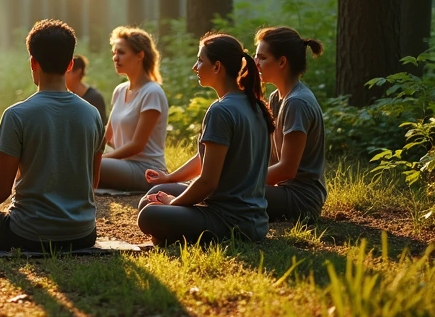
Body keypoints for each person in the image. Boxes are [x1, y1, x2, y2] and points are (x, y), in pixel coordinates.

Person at [0, 20, 103, 252]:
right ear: (70, 64)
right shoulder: (92, 114)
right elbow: (92, 182)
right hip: (83, 234)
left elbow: (2, 189)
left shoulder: (17, 114)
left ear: (32, 62)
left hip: (28, 234)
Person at [137, 33, 273, 245]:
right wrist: (169, 179)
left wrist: (173, 204)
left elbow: (208, 182)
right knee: (153, 195)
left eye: (200, 60)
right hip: (254, 220)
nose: (195, 67)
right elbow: (209, 159)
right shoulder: (255, 104)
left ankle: (175, 233)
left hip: (231, 220)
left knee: (148, 214)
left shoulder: (221, 111)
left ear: (217, 67)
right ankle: (175, 231)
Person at [254, 27, 326, 221]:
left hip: (301, 200)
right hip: (280, 191)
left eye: (262, 57)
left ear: (282, 62)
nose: (255, 63)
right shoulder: (276, 97)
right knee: (224, 188)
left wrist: (244, 182)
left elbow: (287, 169)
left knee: (229, 192)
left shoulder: (297, 103)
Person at [99, 27, 169, 192]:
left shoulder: (152, 92)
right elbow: (107, 137)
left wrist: (97, 160)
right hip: (123, 165)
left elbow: (137, 145)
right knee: (76, 160)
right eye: (114, 53)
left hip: (145, 169)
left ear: (140, 55)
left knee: (86, 165)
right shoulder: (120, 90)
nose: (115, 58)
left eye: (121, 52)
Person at [65, 55, 107, 129]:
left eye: (67, 72)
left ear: (78, 72)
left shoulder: (94, 98)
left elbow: (100, 129)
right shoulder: (64, 97)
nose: (63, 75)